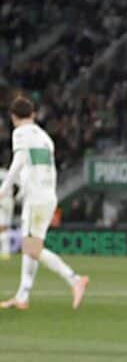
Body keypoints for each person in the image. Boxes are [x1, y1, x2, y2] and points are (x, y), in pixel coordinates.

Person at [0, 96, 89, 310]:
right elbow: (45, 169)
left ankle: (74, 279)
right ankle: (22, 296)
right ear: (33, 114)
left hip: (36, 199)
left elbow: (19, 162)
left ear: (13, 117)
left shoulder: (20, 133)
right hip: (47, 195)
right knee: (31, 246)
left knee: (31, 248)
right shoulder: (44, 137)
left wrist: (3, 191)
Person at [0, 167, 13, 260]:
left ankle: (5, 252)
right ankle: (5, 250)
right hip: (10, 201)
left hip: (2, 200)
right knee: (5, 227)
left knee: (2, 228)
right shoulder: (9, 173)